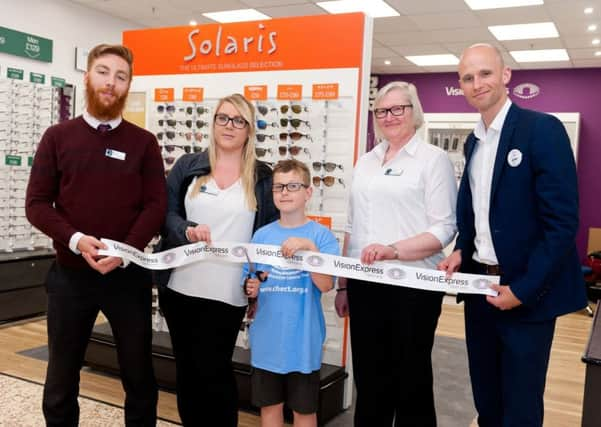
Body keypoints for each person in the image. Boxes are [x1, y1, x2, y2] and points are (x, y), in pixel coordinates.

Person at [438, 43, 587, 427]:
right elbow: (474, 211)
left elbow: (561, 223)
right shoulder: (474, 142)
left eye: (485, 73)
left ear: (506, 76)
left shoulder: (542, 130)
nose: (477, 83)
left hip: (527, 294)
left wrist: (521, 290)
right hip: (479, 290)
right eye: (468, 78)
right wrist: (462, 248)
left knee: (520, 408)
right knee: (487, 400)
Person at [25, 44, 166, 426]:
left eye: (120, 77)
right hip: (70, 277)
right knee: (61, 377)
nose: (110, 83)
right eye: (103, 72)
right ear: (87, 77)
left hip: (127, 278)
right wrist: (75, 239)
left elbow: (155, 206)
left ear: (128, 86)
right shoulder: (57, 137)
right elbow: (37, 203)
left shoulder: (144, 143)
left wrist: (125, 251)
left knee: (139, 376)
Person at [334, 81, 457, 426]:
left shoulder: (433, 161)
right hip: (365, 286)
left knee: (411, 381)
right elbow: (352, 228)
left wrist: (393, 251)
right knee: (370, 380)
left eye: (397, 109)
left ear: (414, 113)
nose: (389, 117)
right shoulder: (366, 162)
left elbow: (443, 229)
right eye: (382, 111)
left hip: (413, 286)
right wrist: (344, 284)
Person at [154, 93, 279, 426]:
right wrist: (186, 230)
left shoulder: (263, 178)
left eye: (239, 120)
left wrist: (261, 278)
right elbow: (165, 214)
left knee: (216, 372)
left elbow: (268, 235)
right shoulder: (188, 166)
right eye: (223, 118)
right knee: (188, 372)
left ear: (250, 130)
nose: (229, 126)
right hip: (180, 287)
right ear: (213, 123)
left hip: (228, 293)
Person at [243, 159, 339, 427]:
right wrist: (251, 289)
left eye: (293, 186)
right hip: (266, 341)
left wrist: (309, 250)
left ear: (308, 192)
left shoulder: (321, 237)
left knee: (304, 412)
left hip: (303, 343)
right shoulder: (261, 236)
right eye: (278, 187)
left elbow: (325, 285)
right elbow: (249, 283)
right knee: (270, 408)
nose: (284, 192)